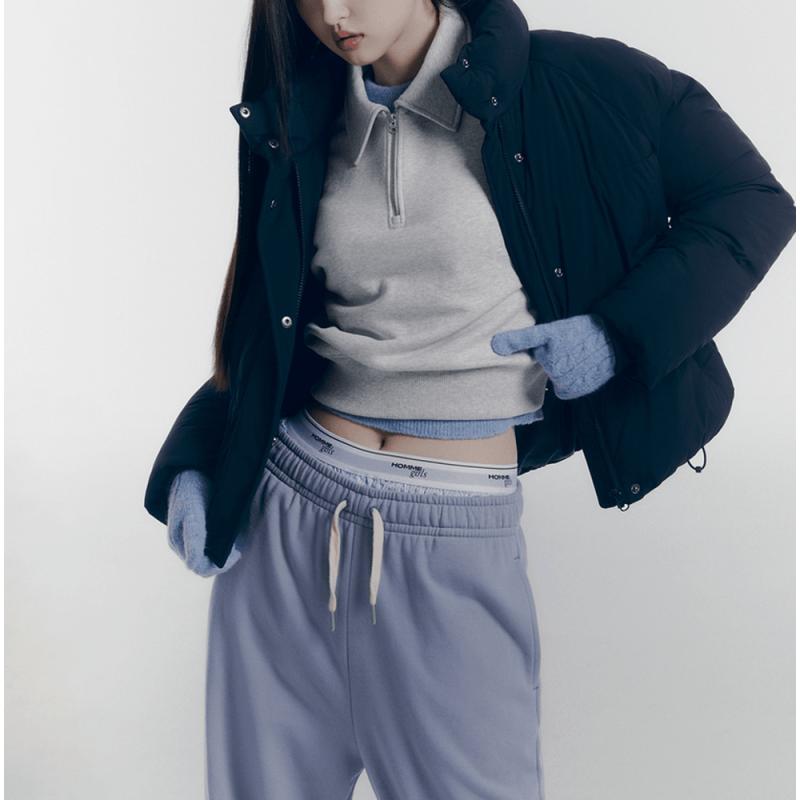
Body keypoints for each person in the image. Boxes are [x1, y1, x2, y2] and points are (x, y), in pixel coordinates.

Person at [144, 0, 796, 797]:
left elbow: (752, 200)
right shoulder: (300, 114)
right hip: (283, 525)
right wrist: (199, 457)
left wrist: (618, 335)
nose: (332, 14)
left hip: (449, 540)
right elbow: (268, 323)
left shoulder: (574, 81)